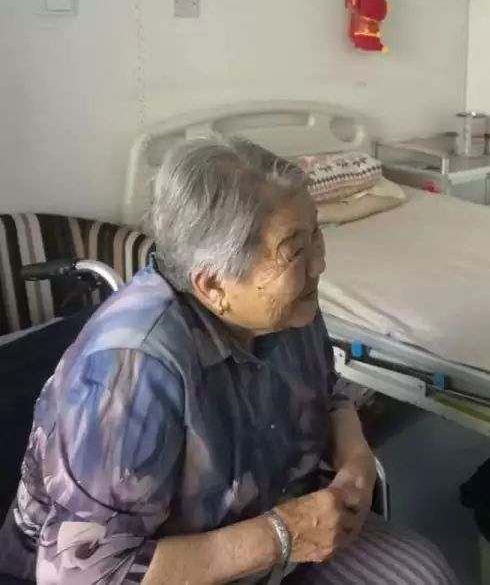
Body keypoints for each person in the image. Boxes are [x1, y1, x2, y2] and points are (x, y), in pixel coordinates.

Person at [0, 137, 457, 585]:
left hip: (282, 536)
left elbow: (327, 390)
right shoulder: (133, 373)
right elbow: (82, 575)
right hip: (174, 569)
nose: (318, 263)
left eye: (315, 233)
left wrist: (354, 456)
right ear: (213, 285)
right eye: (294, 249)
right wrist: (281, 536)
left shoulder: (290, 307)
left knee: (423, 573)